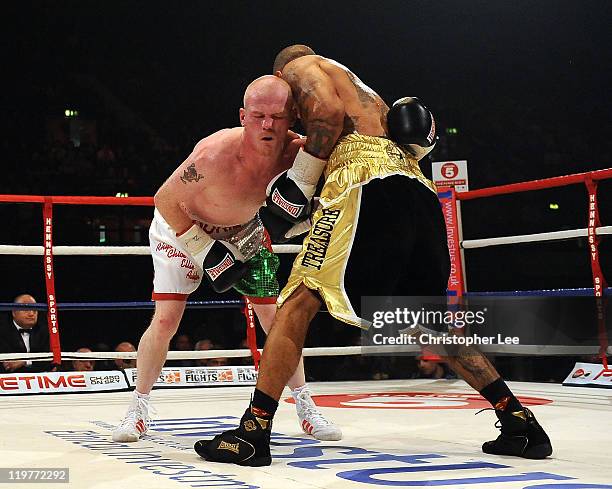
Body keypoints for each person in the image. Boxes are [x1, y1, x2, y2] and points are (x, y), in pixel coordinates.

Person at [195, 45, 552, 466]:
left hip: (361, 181)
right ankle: (519, 422)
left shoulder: (298, 68)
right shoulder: (359, 86)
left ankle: (252, 433)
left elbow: (325, 116)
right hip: (416, 187)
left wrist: (301, 182)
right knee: (426, 319)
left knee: (297, 303)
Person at [113, 75, 340, 443]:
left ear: (292, 117)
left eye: (277, 117)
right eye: (258, 115)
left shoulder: (299, 157)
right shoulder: (213, 155)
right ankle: (137, 408)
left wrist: (302, 221)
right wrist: (204, 248)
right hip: (183, 227)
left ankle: (306, 405)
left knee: (279, 320)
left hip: (243, 230)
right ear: (242, 116)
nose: (268, 125)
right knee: (167, 318)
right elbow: (165, 200)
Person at [0, 294, 53, 373]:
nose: (31, 314)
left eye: (35, 309)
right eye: (26, 309)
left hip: (39, 378)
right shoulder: (3, 330)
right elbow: (6, 365)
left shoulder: (45, 330)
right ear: (14, 312)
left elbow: (50, 362)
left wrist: (24, 361)